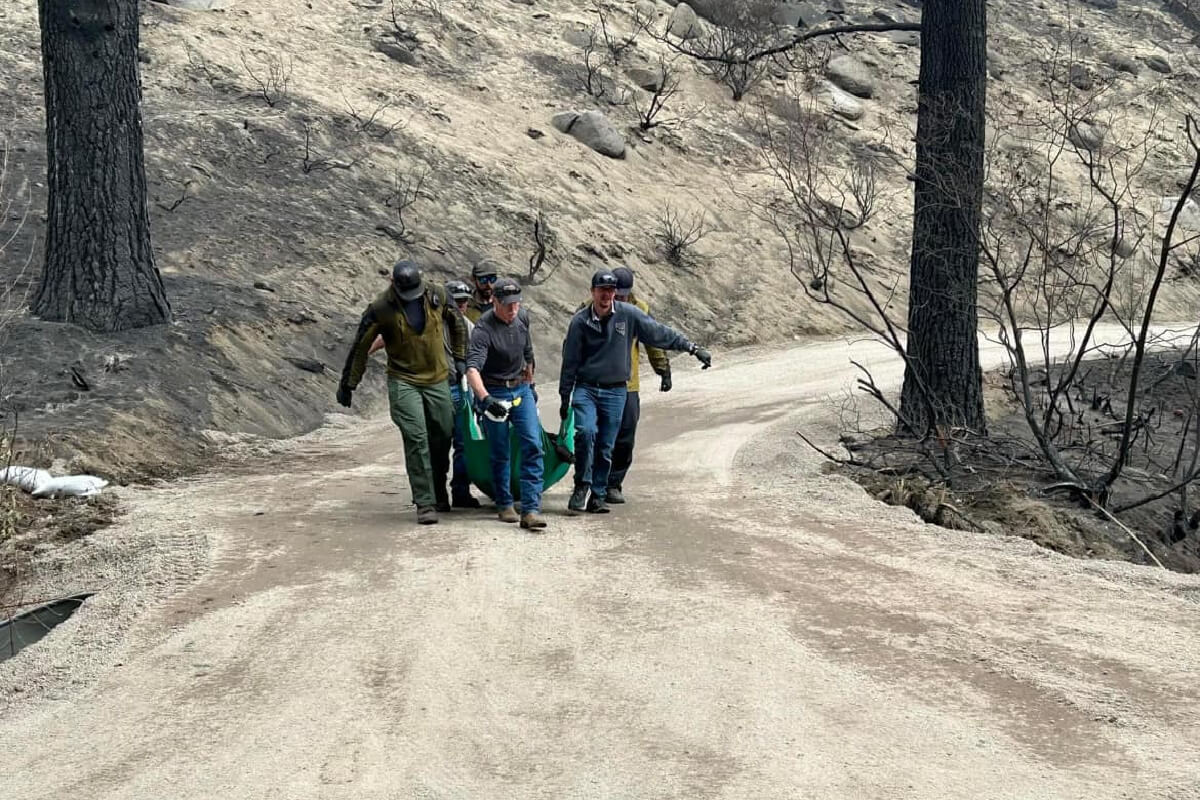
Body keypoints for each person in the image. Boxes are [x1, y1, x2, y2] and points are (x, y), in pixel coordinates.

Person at [559, 269, 712, 515]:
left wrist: (693, 348)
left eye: (611, 291)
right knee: (586, 433)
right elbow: (570, 361)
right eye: (602, 290)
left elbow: (659, 334)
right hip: (586, 388)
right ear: (593, 292)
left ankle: (599, 494)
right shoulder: (580, 320)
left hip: (617, 390)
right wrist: (564, 397)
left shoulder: (630, 314)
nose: (607, 296)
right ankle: (582, 484)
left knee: (607, 444)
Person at [338, 259, 467, 525]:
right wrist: (348, 383)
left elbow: (457, 323)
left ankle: (438, 486)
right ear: (392, 283)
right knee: (416, 437)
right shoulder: (381, 308)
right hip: (404, 380)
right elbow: (360, 345)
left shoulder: (437, 294)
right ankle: (425, 501)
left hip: (437, 378)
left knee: (443, 434)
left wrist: (461, 358)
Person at [465, 277, 547, 530]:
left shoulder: (522, 319)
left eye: (517, 304)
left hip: (520, 389)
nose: (513, 310)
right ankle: (504, 502)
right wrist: (486, 400)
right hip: (495, 391)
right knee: (500, 451)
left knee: (533, 444)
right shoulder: (483, 329)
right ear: (495, 302)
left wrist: (531, 384)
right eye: (508, 305)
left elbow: (528, 354)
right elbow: (472, 370)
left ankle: (531, 508)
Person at [607, 266, 671, 504]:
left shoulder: (639, 309)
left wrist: (663, 370)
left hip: (628, 384)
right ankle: (592, 482)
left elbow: (653, 340)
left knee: (625, 437)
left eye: (623, 293)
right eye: (616, 292)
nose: (619, 297)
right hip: (597, 384)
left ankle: (614, 483)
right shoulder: (591, 307)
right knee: (596, 435)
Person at [444, 280, 483, 509]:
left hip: (462, 387)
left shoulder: (470, 327)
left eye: (465, 302)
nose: (461, 306)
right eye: (457, 302)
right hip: (437, 388)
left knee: (464, 442)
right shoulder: (432, 327)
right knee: (436, 443)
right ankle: (434, 492)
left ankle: (460, 490)